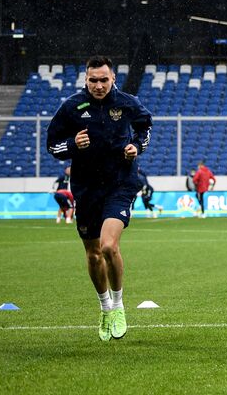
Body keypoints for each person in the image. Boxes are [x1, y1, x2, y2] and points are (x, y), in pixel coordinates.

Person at [45, 56, 153, 341]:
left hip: (120, 183)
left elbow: (145, 127)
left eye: (104, 79)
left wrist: (136, 147)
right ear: (85, 80)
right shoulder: (71, 107)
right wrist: (72, 145)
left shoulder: (127, 103)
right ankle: (104, 306)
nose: (98, 85)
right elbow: (52, 145)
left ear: (113, 78)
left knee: (108, 246)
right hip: (87, 188)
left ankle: (118, 305)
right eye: (93, 80)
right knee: (93, 254)